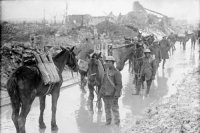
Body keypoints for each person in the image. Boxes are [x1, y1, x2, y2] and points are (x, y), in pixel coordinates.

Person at [100, 56, 122, 126]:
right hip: (105, 95)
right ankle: (108, 122)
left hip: (113, 95)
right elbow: (103, 83)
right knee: (107, 109)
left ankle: (117, 124)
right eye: (107, 62)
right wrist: (100, 93)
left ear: (113, 63)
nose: (108, 63)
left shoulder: (116, 72)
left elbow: (119, 85)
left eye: (109, 62)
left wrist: (117, 94)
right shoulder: (105, 72)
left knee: (115, 109)